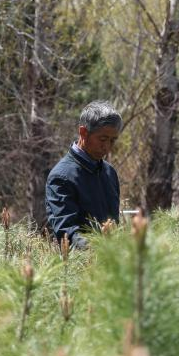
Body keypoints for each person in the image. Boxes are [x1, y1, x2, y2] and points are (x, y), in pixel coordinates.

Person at [44, 101, 122, 248]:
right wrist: (100, 250)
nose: (107, 147)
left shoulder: (109, 172)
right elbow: (67, 233)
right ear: (83, 132)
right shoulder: (61, 177)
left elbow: (114, 225)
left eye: (112, 140)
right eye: (102, 139)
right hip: (84, 260)